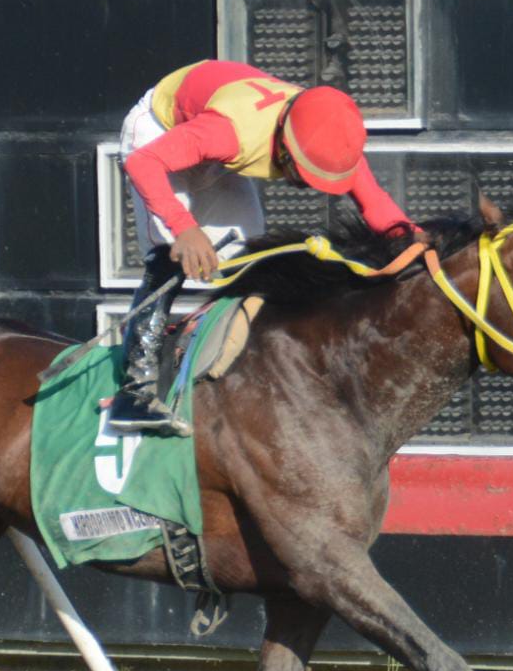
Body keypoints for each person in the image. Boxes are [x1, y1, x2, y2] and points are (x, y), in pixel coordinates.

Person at [108, 58, 414, 434]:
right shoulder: (230, 133)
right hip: (159, 133)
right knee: (169, 255)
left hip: (211, 136)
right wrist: (184, 228)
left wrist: (415, 240)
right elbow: (145, 163)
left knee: (249, 260)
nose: (310, 186)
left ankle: (241, 368)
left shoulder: (327, 132)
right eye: (305, 175)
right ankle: (134, 393)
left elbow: (377, 205)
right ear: (284, 148)